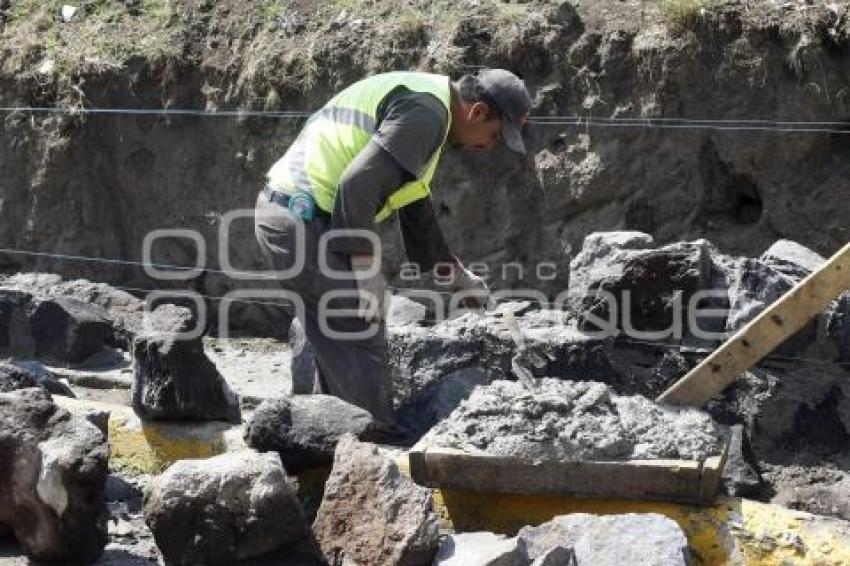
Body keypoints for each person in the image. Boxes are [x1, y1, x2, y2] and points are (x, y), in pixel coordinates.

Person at [254, 68, 531, 428]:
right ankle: (369, 450)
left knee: (342, 339)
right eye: (494, 135)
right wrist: (367, 270)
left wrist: (457, 277)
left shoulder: (431, 110)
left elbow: (415, 207)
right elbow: (356, 186)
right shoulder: (427, 114)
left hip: (299, 218)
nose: (490, 145)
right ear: (477, 112)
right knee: (358, 328)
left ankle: (328, 444)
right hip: (299, 218)